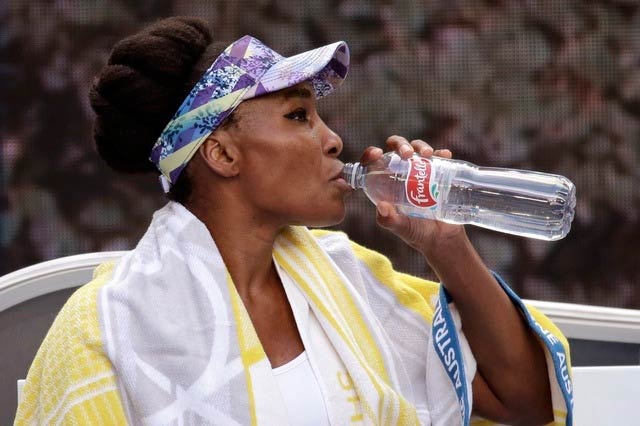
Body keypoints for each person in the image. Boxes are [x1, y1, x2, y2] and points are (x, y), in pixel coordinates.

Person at [15, 17, 573, 426]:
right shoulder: (105, 327)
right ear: (222, 155)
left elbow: (523, 404)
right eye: (298, 115)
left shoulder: (348, 278)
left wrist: (445, 244)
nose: (333, 140)